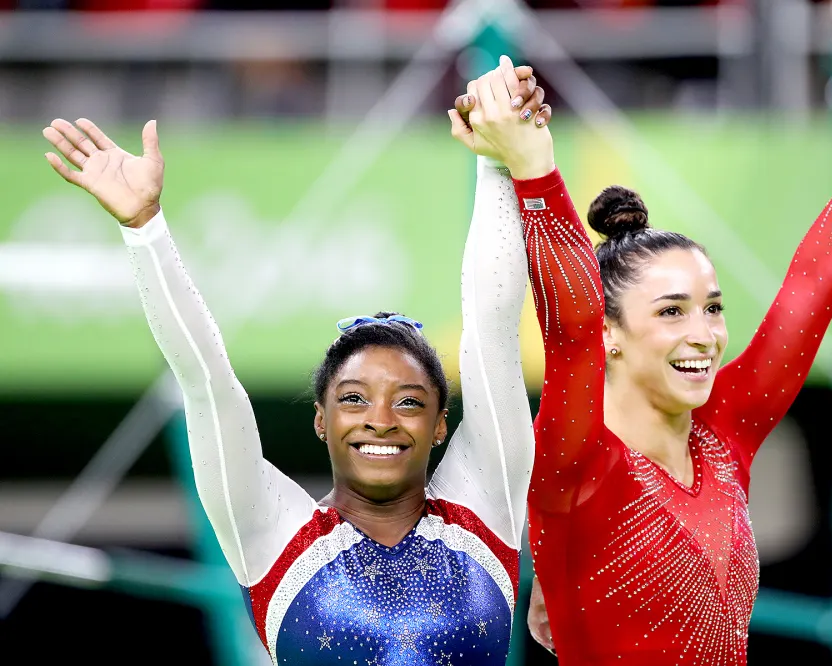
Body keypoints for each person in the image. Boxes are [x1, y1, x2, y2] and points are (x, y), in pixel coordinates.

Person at [452, 0, 832, 663]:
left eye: (712, 307)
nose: (703, 333)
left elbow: (818, 282)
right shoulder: (577, 466)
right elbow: (569, 330)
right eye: (671, 311)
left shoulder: (727, 432)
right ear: (611, 334)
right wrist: (533, 168)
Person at [41, 59, 550, 666]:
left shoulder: (484, 507)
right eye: (354, 398)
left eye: (409, 401)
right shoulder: (273, 535)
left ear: (442, 425)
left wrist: (498, 158)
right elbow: (207, 383)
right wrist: (144, 229)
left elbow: (492, 330)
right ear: (320, 419)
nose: (380, 418)